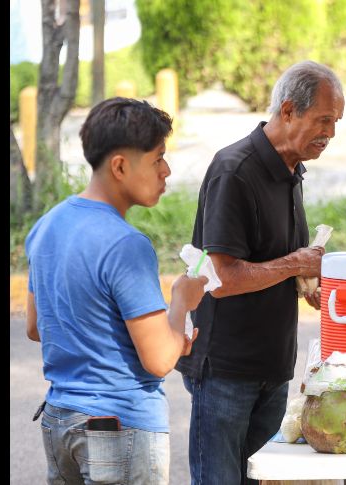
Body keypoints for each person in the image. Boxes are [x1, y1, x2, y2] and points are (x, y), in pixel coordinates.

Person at [175, 60, 343, 484]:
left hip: (274, 366)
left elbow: (273, 259)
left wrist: (305, 282)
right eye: (324, 120)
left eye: (336, 122)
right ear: (288, 111)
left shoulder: (292, 169)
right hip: (227, 371)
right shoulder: (235, 170)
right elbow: (223, 278)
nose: (331, 134)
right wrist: (296, 264)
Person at [25, 97, 208, 484]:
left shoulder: (45, 226)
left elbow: (37, 327)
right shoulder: (126, 244)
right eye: (157, 159)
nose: (167, 171)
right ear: (121, 166)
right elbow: (159, 359)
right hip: (119, 426)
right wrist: (181, 304)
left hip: (60, 420)